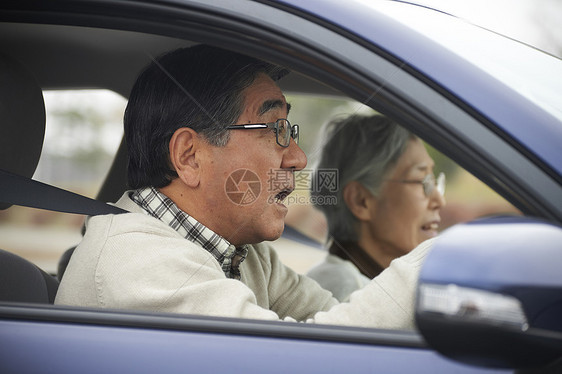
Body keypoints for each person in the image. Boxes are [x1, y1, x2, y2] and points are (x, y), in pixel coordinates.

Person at [55, 45, 434, 329]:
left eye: (290, 130)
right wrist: (433, 263)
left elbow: (339, 321)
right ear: (189, 156)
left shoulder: (245, 255)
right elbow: (305, 362)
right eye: (275, 130)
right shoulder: (139, 264)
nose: (298, 158)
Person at [307, 114, 446, 301]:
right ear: (361, 201)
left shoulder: (377, 283)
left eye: (434, 181)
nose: (439, 200)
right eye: (422, 181)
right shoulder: (345, 291)